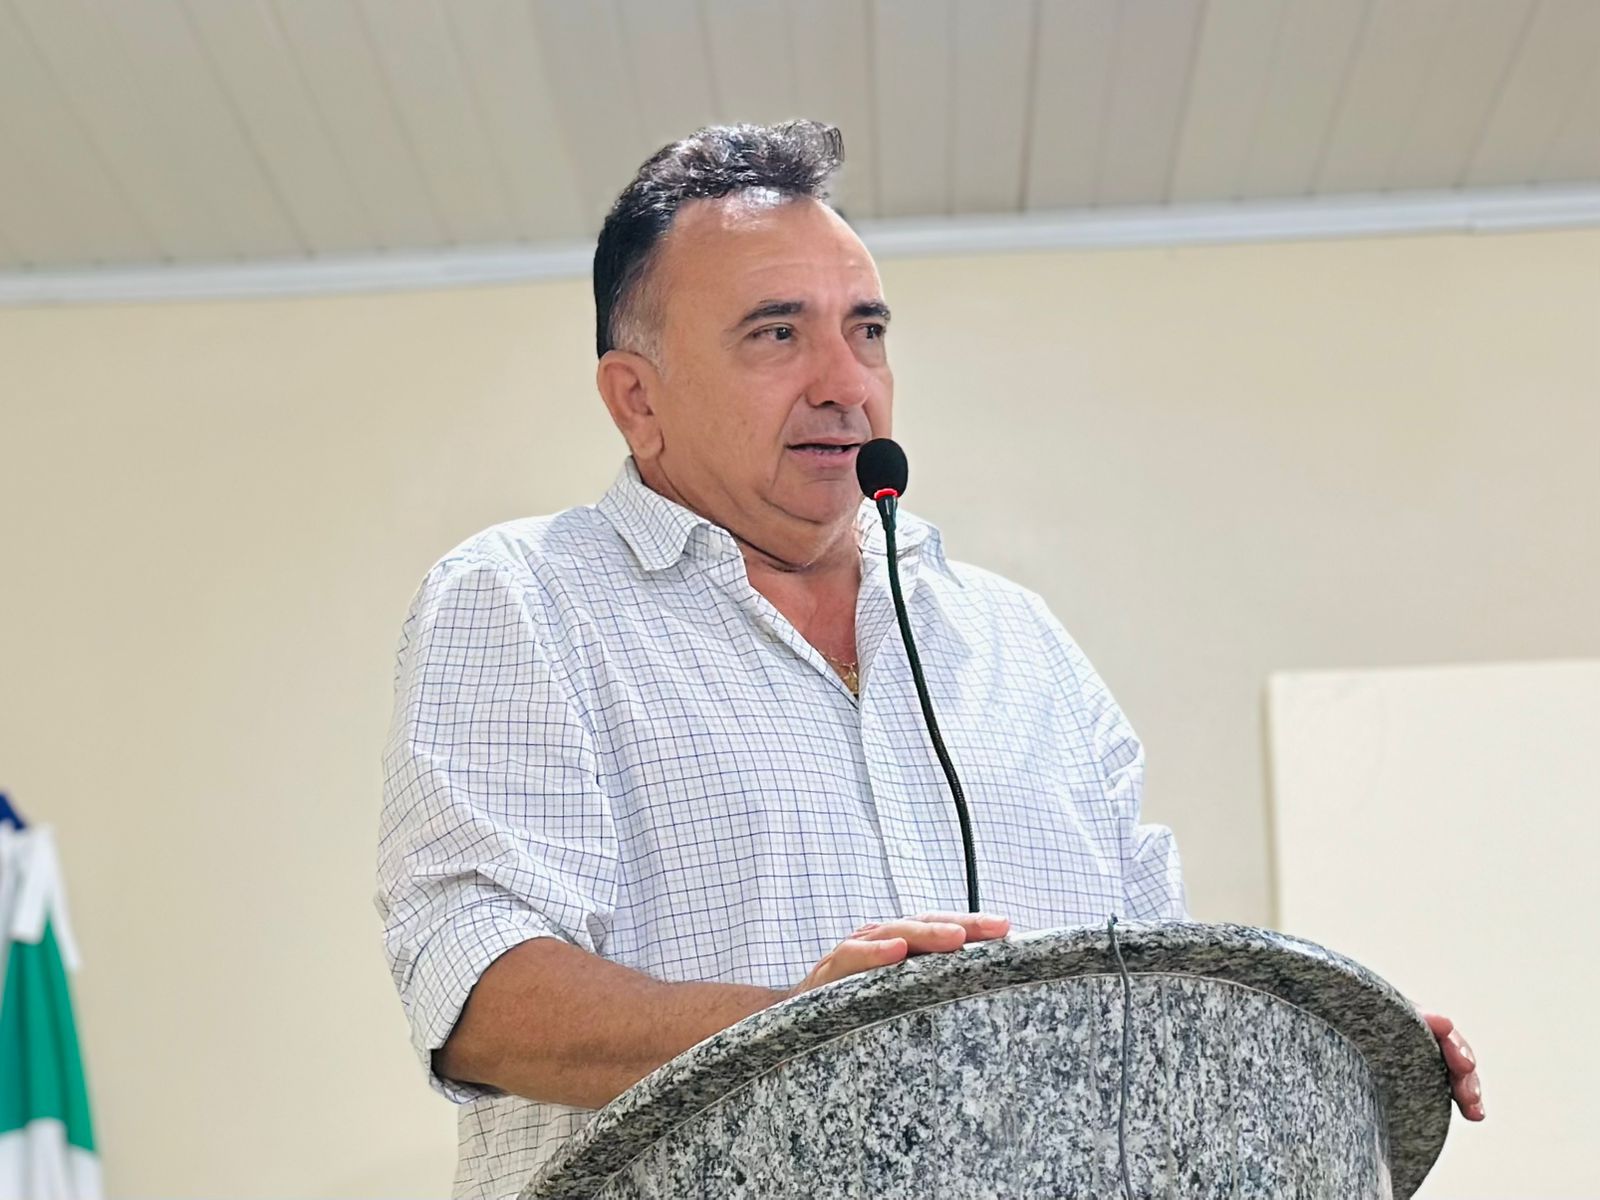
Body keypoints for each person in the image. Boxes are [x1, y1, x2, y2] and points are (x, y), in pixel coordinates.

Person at [375, 121, 1481, 1199]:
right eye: (775, 334)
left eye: (865, 330)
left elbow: (1149, 999)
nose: (844, 382)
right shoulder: (527, 597)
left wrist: (1318, 1049)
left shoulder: (1019, 641)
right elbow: (479, 994)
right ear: (637, 399)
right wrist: (799, 1032)